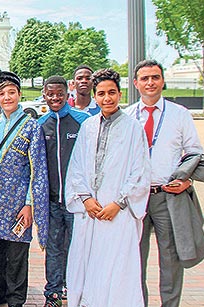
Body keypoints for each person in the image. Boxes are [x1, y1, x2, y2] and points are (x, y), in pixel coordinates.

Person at [64, 68, 151, 307]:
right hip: (91, 212)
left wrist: (119, 203)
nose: (107, 98)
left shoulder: (133, 128)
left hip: (118, 214)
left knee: (118, 268)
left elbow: (140, 172)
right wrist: (85, 199)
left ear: (120, 94)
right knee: (89, 265)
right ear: (95, 96)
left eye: (111, 92)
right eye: (101, 93)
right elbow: (77, 167)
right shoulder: (88, 127)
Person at [125, 60, 204, 307]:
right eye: (145, 78)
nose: (150, 82)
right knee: (134, 258)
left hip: (166, 196)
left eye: (155, 77)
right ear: (136, 83)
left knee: (170, 258)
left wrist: (187, 179)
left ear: (162, 81)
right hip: (135, 198)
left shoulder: (179, 114)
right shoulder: (127, 116)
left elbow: (194, 152)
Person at [0, 71, 49, 307]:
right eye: (2, 93)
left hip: (19, 200)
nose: (7, 97)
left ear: (19, 94)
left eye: (11, 92)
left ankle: (16, 299)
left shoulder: (31, 127)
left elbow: (36, 168)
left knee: (17, 254)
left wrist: (30, 203)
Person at [37, 76, 89, 307]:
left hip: (77, 201)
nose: (55, 98)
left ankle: (78, 291)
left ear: (67, 93)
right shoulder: (41, 124)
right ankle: (53, 294)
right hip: (52, 201)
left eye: (59, 94)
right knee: (54, 248)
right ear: (44, 95)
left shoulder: (83, 120)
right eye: (50, 94)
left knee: (78, 248)